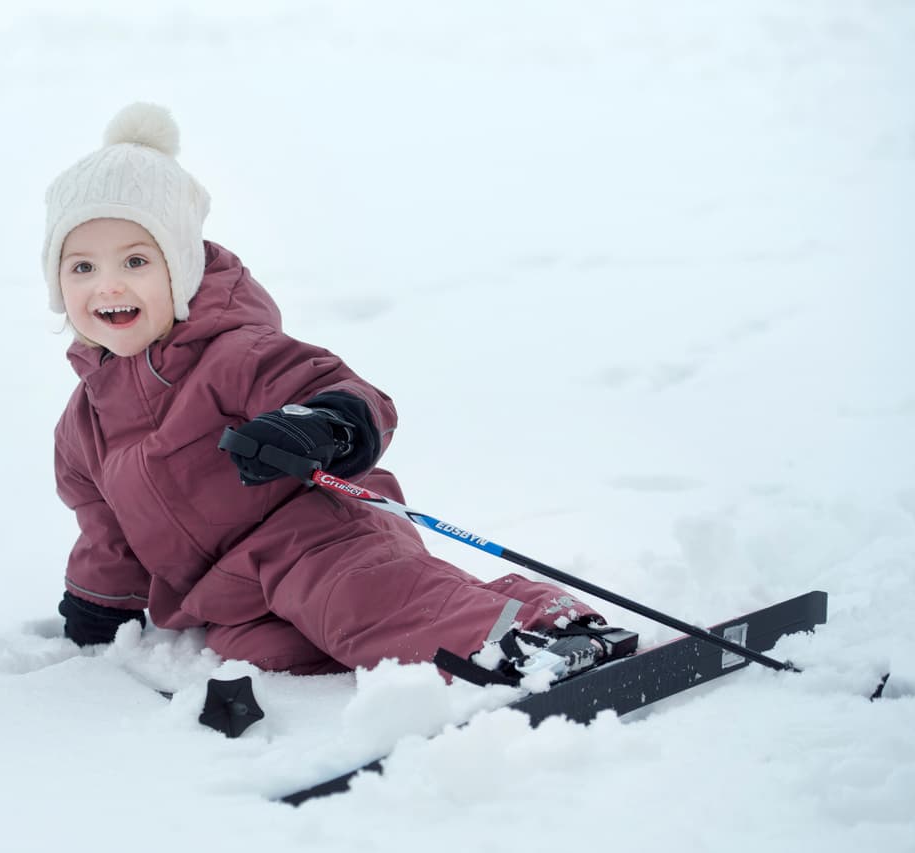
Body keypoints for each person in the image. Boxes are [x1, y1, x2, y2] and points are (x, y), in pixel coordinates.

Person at [44, 102, 619, 680]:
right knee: (264, 652)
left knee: (354, 601)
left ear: (182, 270)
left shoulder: (234, 352)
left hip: (320, 534)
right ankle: (492, 616)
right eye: (82, 267)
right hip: (233, 589)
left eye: (136, 260)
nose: (108, 284)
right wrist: (98, 602)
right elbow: (108, 531)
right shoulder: (83, 428)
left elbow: (338, 389)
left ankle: (524, 637)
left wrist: (322, 422)